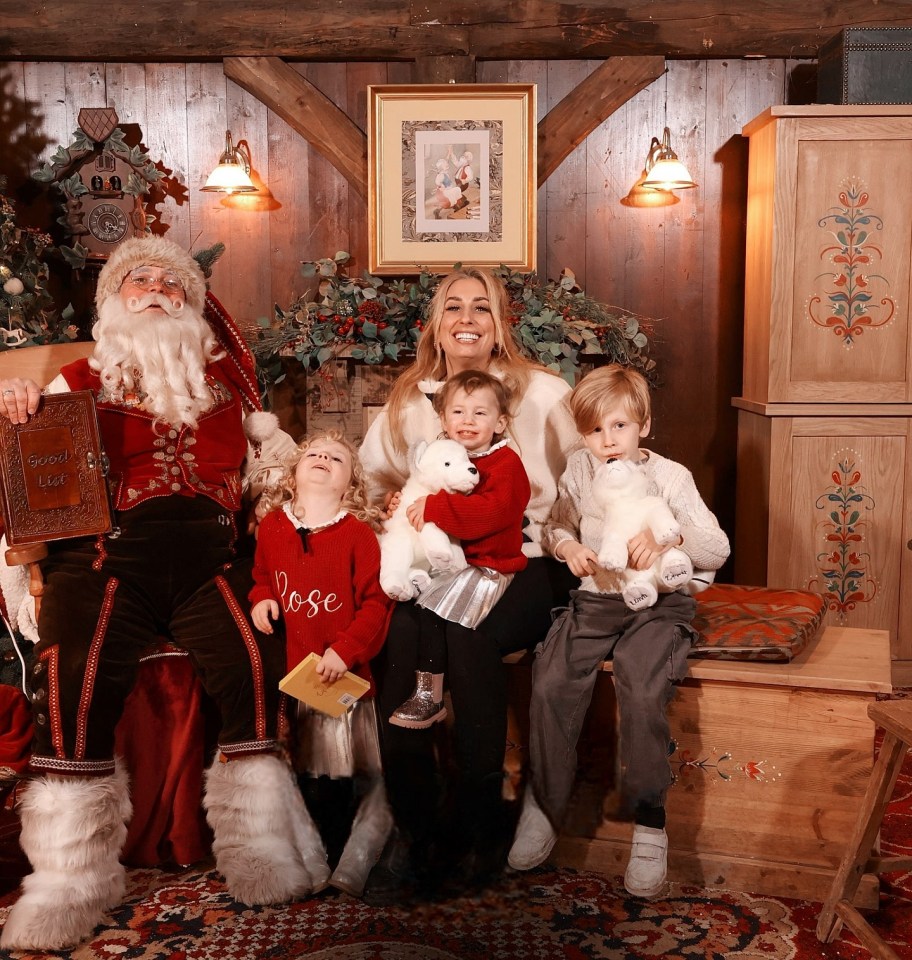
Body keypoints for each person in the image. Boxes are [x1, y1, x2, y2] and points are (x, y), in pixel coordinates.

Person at [0, 236, 326, 952]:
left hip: (213, 557)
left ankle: (260, 851)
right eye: (138, 281)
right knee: (74, 674)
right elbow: (25, 474)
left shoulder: (226, 391)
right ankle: (67, 880)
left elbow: (277, 477)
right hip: (105, 558)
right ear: (114, 303)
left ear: (192, 303)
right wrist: (17, 405)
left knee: (254, 662)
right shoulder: (75, 380)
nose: (155, 290)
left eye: (171, 283)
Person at [359, 266, 579, 884]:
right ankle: (417, 823)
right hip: (437, 561)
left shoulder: (541, 393)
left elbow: (585, 479)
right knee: (398, 631)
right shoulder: (410, 399)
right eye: (452, 307)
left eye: (480, 308)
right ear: (436, 323)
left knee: (469, 631)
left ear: (499, 323)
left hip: (527, 558)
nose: (465, 319)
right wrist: (389, 513)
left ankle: (480, 822)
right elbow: (375, 477)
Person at [507, 364, 730, 898]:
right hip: (597, 600)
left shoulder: (672, 477)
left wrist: (669, 546)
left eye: (619, 427)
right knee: (552, 678)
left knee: (642, 681)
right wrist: (567, 548)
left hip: (658, 602)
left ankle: (650, 822)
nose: (608, 442)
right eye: (595, 430)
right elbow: (556, 522)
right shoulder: (580, 470)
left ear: (644, 426)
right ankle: (544, 802)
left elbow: (717, 547)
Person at [250, 430, 394, 897]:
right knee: (308, 772)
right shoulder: (272, 526)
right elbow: (261, 579)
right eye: (313, 453)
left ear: (349, 483)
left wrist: (345, 649)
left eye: (337, 457)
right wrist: (262, 600)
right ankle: (315, 857)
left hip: (342, 676)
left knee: (348, 772)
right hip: (294, 678)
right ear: (293, 473)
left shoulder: (357, 534)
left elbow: (375, 604)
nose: (323, 459)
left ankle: (356, 856)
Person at [388, 370, 530, 730]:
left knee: (442, 615)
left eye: (480, 413)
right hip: (452, 564)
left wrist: (434, 508)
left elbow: (492, 513)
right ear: (443, 419)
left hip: (490, 566)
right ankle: (429, 694)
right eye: (458, 412)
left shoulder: (506, 464)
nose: (467, 421)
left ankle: (431, 698)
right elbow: (418, 487)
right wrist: (403, 502)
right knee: (422, 611)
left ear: (500, 422)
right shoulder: (443, 456)